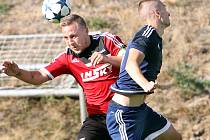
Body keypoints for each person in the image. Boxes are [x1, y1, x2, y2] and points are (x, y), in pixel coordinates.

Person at [1, 14, 126, 140]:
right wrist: (17, 72)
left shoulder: (106, 40)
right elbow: (36, 77)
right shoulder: (67, 58)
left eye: (73, 36)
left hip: (125, 111)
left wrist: (107, 59)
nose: (70, 42)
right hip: (97, 119)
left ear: (86, 31)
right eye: (66, 38)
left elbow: (132, 60)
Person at [106, 0, 182, 140]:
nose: (169, 13)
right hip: (124, 114)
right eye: (165, 10)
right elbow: (130, 64)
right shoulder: (146, 35)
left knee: (174, 137)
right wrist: (145, 84)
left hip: (142, 111)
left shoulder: (155, 37)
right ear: (158, 14)